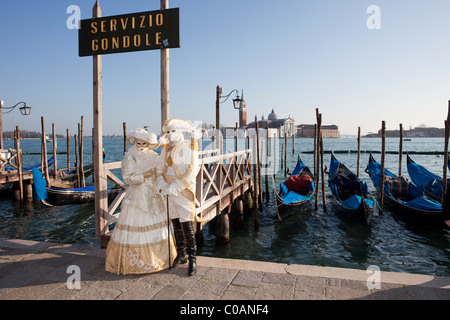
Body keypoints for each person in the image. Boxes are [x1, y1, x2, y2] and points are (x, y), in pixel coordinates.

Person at [105, 128, 177, 275]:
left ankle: (160, 258)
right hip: (137, 198)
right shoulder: (130, 156)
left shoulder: (154, 156)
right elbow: (127, 177)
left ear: (149, 143)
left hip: (154, 196)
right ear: (135, 141)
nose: (141, 145)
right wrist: (143, 175)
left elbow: (160, 173)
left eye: (144, 142)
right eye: (139, 142)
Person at [157, 119, 201, 276]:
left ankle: (193, 259)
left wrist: (176, 186)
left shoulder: (188, 146)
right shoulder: (165, 149)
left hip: (182, 192)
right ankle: (181, 254)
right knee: (175, 224)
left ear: (180, 132)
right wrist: (162, 184)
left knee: (187, 226)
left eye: (173, 131)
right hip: (168, 193)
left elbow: (192, 168)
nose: (170, 135)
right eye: (167, 132)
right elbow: (159, 168)